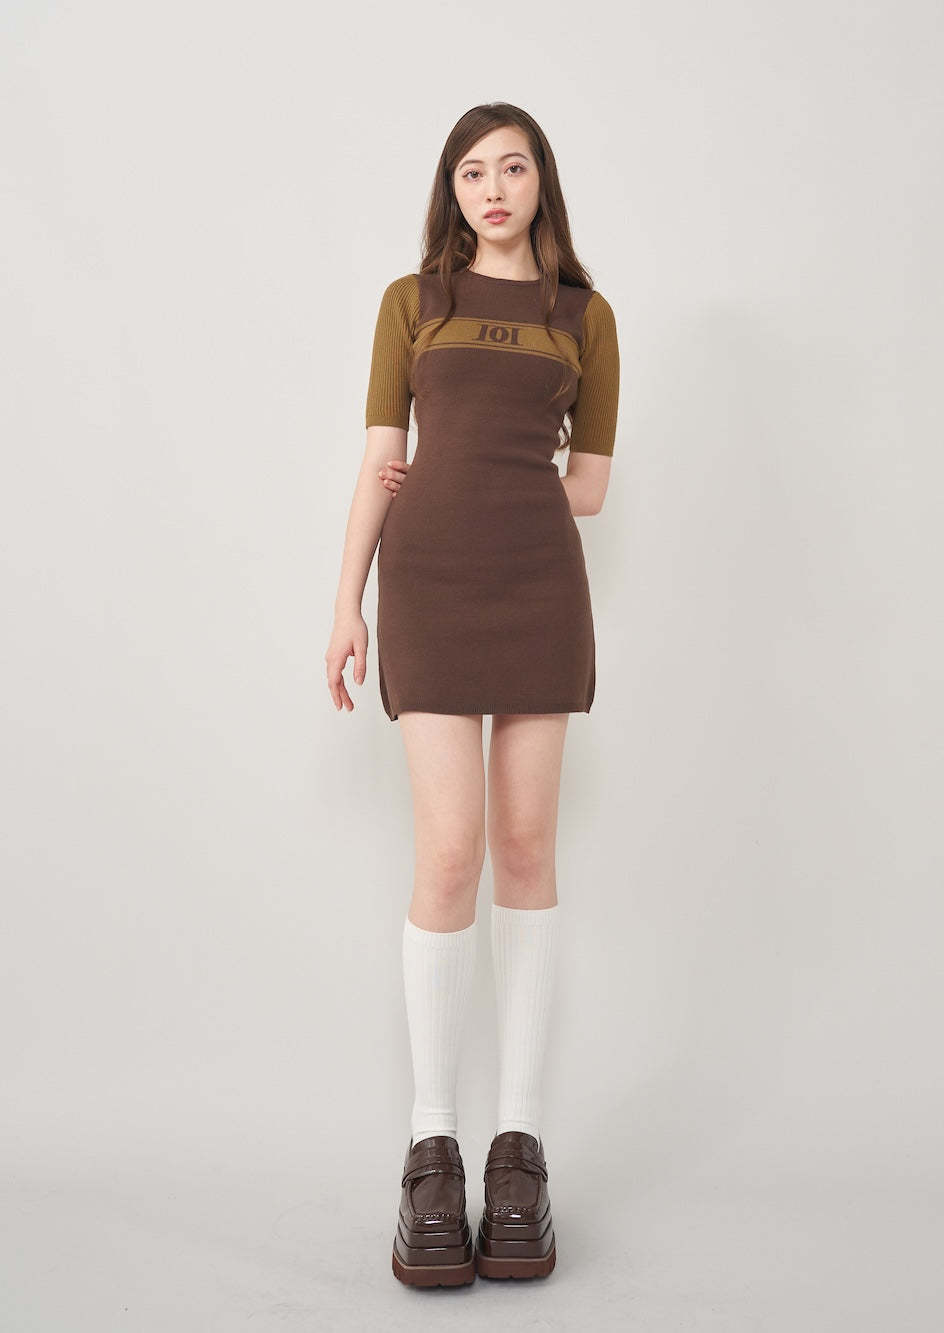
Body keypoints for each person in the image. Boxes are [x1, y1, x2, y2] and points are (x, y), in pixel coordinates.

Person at [325, 102, 620, 1287]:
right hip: (430, 585)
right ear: (451, 193)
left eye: (512, 168)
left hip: (537, 587)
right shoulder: (413, 301)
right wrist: (345, 604)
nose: (491, 189)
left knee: (527, 847)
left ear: (542, 182)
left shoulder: (585, 317)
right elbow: (378, 458)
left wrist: (505, 472)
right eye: (469, 174)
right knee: (449, 856)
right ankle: (430, 1152)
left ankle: (520, 1155)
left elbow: (588, 485)